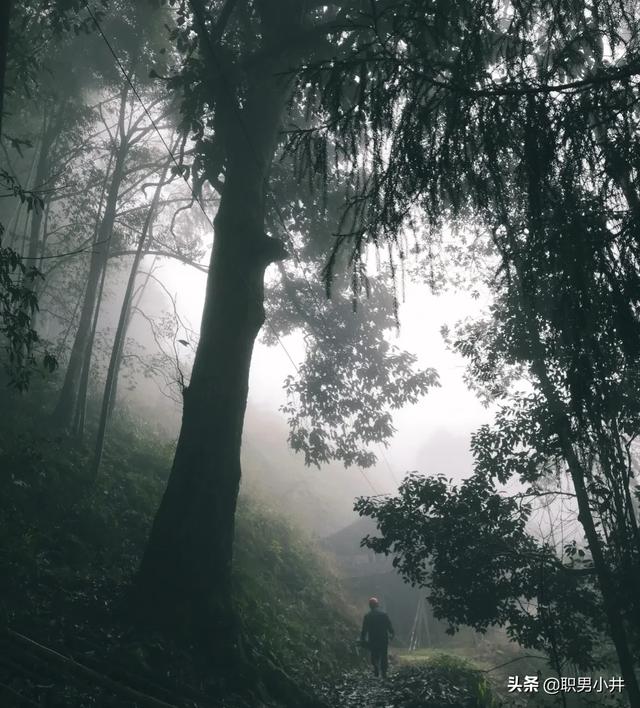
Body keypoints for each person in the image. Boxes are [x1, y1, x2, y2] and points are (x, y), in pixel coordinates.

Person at [360, 597, 394, 679]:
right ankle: (384, 673)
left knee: (374, 655)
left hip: (373, 639)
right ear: (377, 605)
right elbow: (389, 626)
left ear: (370, 606)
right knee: (384, 655)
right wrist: (392, 634)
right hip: (383, 639)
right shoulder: (384, 615)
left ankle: (376, 669)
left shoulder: (367, 616)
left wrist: (363, 639)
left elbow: (364, 629)